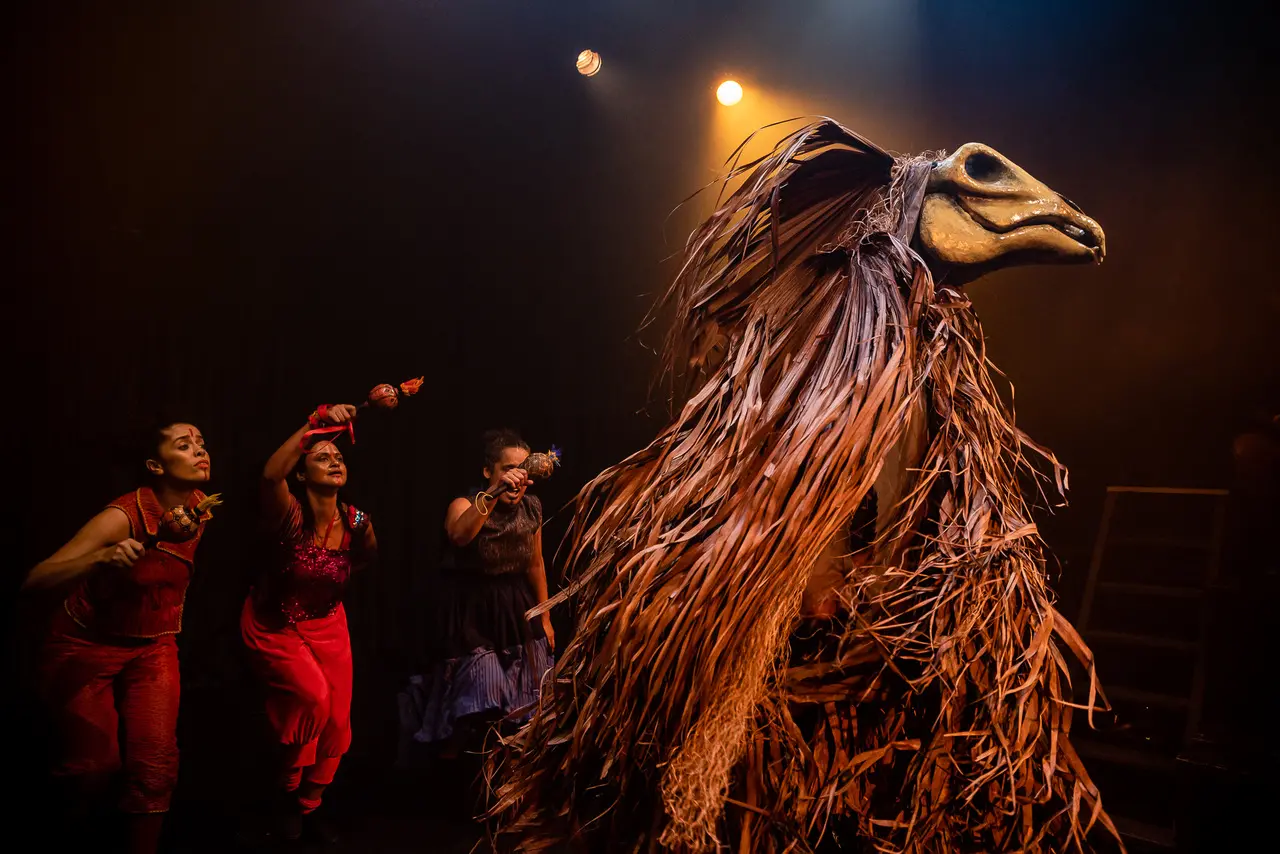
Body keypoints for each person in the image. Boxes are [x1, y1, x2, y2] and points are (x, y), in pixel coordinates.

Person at [25, 421, 215, 854]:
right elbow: (34, 580)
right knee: (92, 768)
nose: (200, 451)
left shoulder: (198, 507)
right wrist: (100, 558)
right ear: (155, 466)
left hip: (152, 646)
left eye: (201, 443)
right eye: (184, 446)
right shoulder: (122, 516)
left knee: (156, 767)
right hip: (85, 644)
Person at [240, 404, 376, 843]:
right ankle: (285, 795)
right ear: (301, 473)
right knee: (313, 700)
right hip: (275, 623)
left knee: (337, 721)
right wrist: (315, 425)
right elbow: (269, 475)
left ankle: (309, 806)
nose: (335, 460)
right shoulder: (289, 513)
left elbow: (365, 559)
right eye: (322, 457)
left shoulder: (356, 520)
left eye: (338, 456)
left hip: (329, 624)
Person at [407, 429, 554, 762]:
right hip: (472, 610)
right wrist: (494, 493)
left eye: (523, 469)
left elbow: (535, 564)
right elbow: (460, 536)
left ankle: (500, 770)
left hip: (515, 608)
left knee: (517, 703)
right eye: (508, 469)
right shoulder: (464, 503)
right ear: (489, 471)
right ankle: (448, 769)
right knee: (476, 696)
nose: (517, 477)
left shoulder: (532, 508)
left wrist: (545, 617)